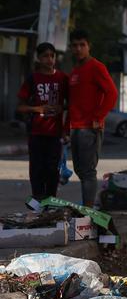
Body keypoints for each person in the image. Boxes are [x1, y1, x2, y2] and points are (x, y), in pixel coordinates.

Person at [67, 30, 118, 208]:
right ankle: (86, 206)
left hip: (89, 128)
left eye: (82, 45)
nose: (78, 49)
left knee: (88, 171)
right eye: (75, 45)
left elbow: (112, 93)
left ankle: (88, 211)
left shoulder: (96, 67)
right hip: (75, 127)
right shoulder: (75, 71)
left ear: (89, 46)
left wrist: (98, 116)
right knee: (79, 170)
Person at [16, 43, 68, 198]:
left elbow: (72, 103)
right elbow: (20, 107)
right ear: (38, 58)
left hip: (55, 133)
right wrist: (37, 109)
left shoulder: (62, 78)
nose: (49, 59)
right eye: (45, 56)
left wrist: (62, 108)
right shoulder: (33, 79)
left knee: (53, 170)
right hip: (36, 132)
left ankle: (51, 202)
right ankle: (37, 203)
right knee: (37, 170)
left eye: (52, 55)